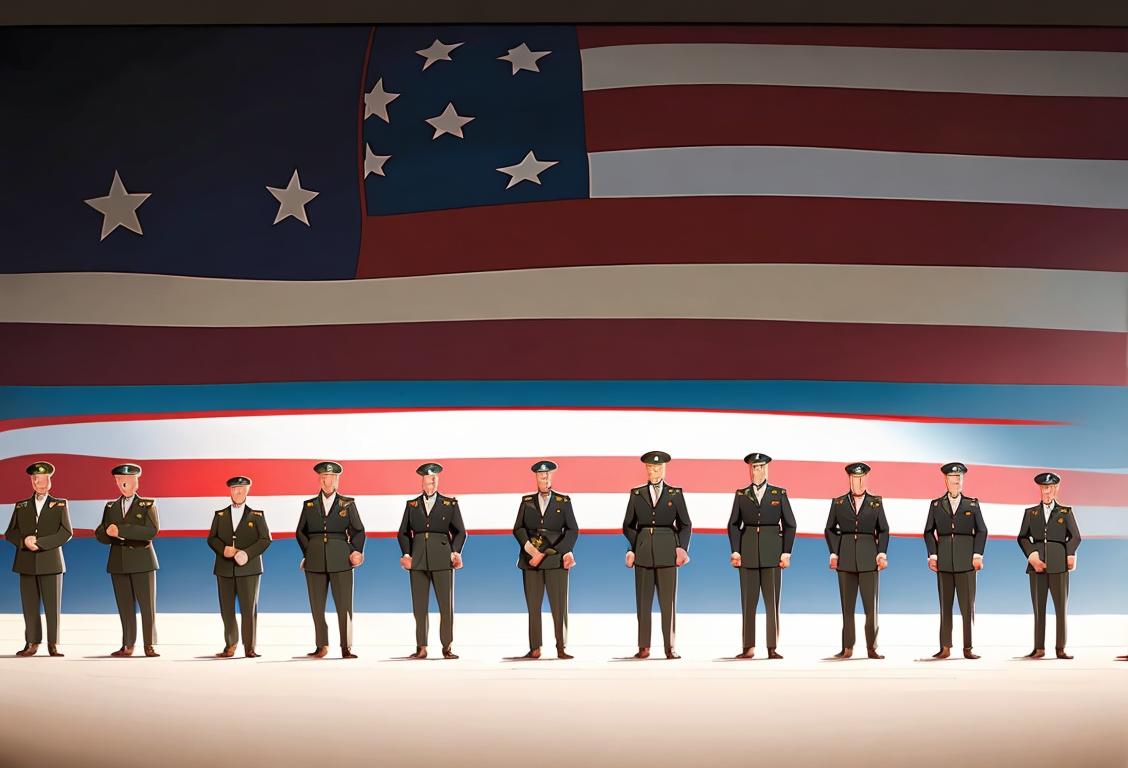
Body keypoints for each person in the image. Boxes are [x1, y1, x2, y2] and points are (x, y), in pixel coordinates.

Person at [622, 451, 692, 659]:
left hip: (667, 551)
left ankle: (670, 647)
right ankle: (644, 646)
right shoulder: (636, 494)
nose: (654, 471)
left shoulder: (675, 494)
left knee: (668, 602)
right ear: (646, 469)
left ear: (664, 469)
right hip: (643, 552)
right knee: (643, 602)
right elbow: (628, 525)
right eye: (650, 468)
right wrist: (634, 547)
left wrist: (681, 547)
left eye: (658, 467)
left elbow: (685, 524)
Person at [727, 452, 795, 659]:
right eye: (754, 467)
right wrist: (736, 550)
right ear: (750, 469)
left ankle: (772, 647)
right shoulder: (741, 494)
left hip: (772, 552)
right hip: (747, 553)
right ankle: (748, 647)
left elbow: (790, 524)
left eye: (761, 467)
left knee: (772, 602)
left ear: (767, 468)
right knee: (748, 602)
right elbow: (733, 524)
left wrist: (786, 552)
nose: (757, 471)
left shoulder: (778, 493)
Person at [296, 461, 365, 659]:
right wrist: (308, 552)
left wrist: (355, 551)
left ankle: (346, 646)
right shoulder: (309, 505)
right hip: (315, 559)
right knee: (317, 605)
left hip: (341, 558)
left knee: (344, 606)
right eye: (326, 477)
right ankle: (321, 645)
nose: (330, 481)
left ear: (338, 480)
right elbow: (300, 531)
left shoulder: (348, 503)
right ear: (320, 479)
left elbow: (358, 530)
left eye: (334, 477)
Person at [397, 462, 467, 659]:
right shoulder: (411, 505)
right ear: (422, 480)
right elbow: (403, 532)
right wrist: (407, 554)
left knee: (446, 606)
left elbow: (460, 531)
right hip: (418, 559)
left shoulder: (450, 504)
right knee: (419, 606)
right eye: (429, 478)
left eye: (435, 478)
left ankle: (447, 646)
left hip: (442, 558)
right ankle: (421, 647)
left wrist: (455, 551)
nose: (432, 481)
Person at [5, 461, 72, 657]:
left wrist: (41, 542)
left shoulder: (60, 504)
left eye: (41, 479)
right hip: (26, 561)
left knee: (52, 605)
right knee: (30, 605)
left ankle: (53, 644)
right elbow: (10, 532)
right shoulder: (21, 506)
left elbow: (66, 532)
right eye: (34, 479)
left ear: (49, 481)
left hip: (50, 561)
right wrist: (23, 541)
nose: (38, 482)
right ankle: (32, 642)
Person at [512, 460, 578, 659]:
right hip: (530, 561)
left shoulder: (563, 501)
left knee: (559, 606)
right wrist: (530, 550)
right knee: (533, 606)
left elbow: (573, 530)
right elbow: (518, 528)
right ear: (536, 477)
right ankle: (535, 648)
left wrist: (562, 551)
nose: (545, 478)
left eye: (548, 474)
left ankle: (561, 647)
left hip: (554, 560)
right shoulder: (526, 501)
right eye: (542, 475)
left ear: (552, 476)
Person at [824, 462, 889, 659]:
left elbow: (884, 530)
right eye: (854, 478)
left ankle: (872, 647)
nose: (858, 482)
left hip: (869, 557)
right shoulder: (839, 502)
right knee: (847, 607)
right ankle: (847, 648)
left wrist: (881, 553)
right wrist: (834, 552)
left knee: (871, 607)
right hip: (845, 558)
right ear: (849, 479)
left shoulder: (876, 502)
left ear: (866, 479)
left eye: (861, 478)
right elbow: (830, 529)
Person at [95, 463, 160, 657]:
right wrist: (106, 533)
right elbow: (101, 531)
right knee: (124, 606)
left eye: (127, 480)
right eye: (119, 481)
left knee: (147, 606)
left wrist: (121, 531)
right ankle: (128, 644)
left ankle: (149, 644)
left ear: (136, 482)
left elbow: (151, 530)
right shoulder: (111, 506)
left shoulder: (147, 504)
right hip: (118, 561)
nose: (123, 484)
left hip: (142, 560)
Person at [207, 475, 272, 658]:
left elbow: (265, 539)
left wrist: (248, 553)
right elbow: (211, 538)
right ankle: (230, 644)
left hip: (249, 569)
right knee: (226, 608)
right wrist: (223, 549)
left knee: (248, 609)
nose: (238, 492)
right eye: (235, 489)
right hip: (224, 568)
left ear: (247, 491)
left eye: (242, 489)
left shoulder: (257, 515)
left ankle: (249, 647)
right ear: (230, 491)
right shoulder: (220, 515)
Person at [1018, 471, 1081, 659]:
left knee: (1061, 608)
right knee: (1039, 608)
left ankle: (1060, 648)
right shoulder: (1031, 513)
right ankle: (1039, 648)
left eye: (1050, 488)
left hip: (1059, 565)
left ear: (1056, 488)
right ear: (1040, 489)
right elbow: (1022, 537)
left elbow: (1075, 536)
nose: (1047, 492)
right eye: (1044, 488)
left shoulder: (1065, 512)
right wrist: (1032, 555)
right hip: (1036, 566)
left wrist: (1069, 553)